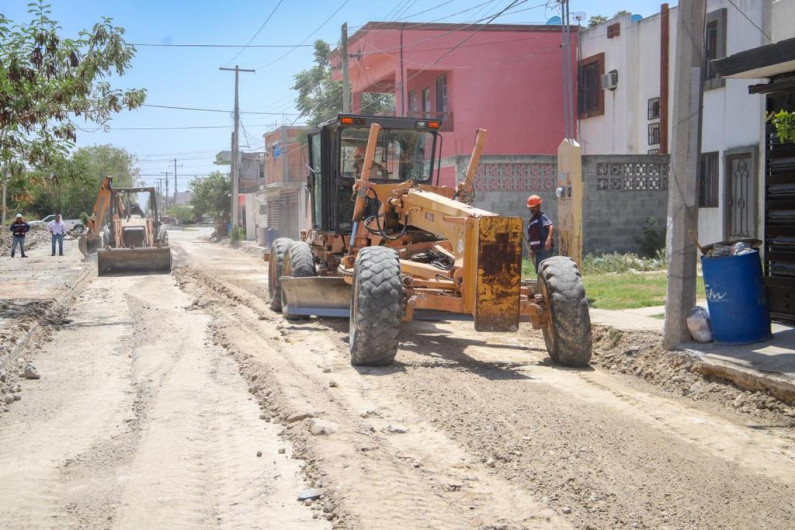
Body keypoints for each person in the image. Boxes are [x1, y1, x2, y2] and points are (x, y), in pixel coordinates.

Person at [526, 194, 555, 272]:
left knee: (545, 272)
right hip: (537, 251)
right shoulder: (532, 221)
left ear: (539, 206)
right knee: (540, 272)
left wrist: (548, 239)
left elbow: (551, 227)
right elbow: (533, 237)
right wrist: (532, 250)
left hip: (544, 250)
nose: (532, 209)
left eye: (534, 207)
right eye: (531, 208)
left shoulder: (542, 217)